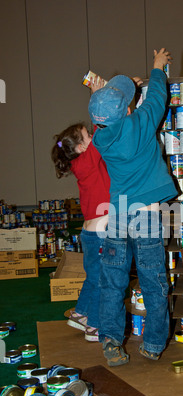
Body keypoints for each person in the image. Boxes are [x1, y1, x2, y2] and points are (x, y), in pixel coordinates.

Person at [88, 48, 178, 366]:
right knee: (153, 280)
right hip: (147, 213)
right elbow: (158, 97)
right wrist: (157, 67)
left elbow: (108, 115)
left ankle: (111, 339)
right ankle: (153, 343)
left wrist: (113, 93)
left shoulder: (101, 138)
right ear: (129, 108)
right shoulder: (142, 123)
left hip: (119, 211)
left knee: (113, 279)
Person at [51, 76, 110, 342]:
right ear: (81, 147)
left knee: (93, 275)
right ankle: (94, 327)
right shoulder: (87, 161)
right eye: (86, 135)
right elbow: (101, 130)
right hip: (99, 231)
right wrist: (96, 96)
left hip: (89, 232)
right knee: (102, 279)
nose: (91, 134)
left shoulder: (81, 164)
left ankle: (82, 312)